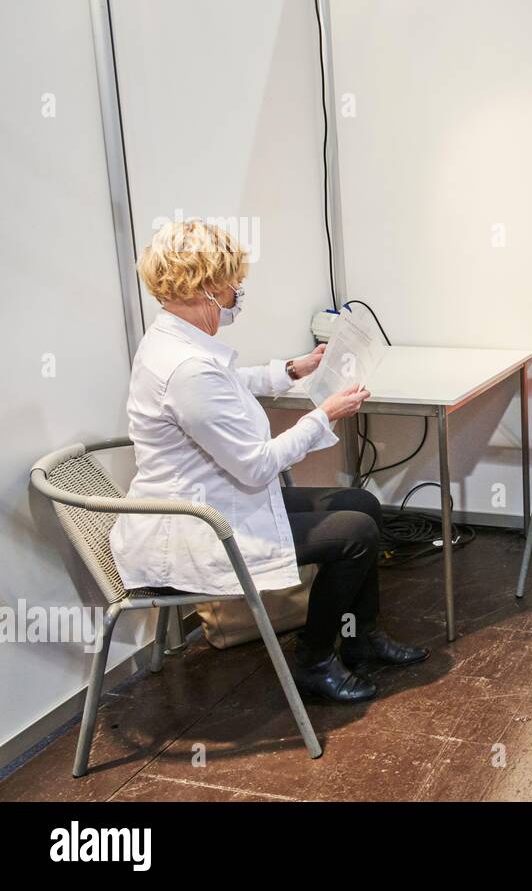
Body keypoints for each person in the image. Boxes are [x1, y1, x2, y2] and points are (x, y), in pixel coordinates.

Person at [110, 220, 427, 704]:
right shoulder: (186, 368)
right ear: (206, 286)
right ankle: (315, 659)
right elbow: (257, 467)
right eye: (232, 282)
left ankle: (361, 638)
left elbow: (229, 384)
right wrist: (325, 415)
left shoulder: (176, 339)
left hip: (218, 500)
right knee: (356, 534)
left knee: (360, 502)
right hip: (199, 526)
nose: (238, 291)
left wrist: (293, 369)